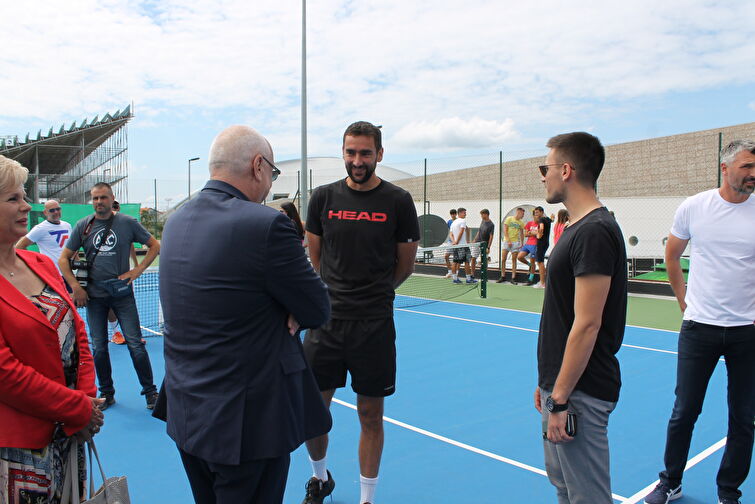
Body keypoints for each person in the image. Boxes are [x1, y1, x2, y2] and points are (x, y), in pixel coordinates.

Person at [159, 125, 332, 504]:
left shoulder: (175, 223)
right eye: (272, 172)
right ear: (258, 166)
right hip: (248, 424)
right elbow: (318, 307)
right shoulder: (265, 224)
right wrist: (291, 308)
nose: (271, 183)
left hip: (188, 412)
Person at [302, 121, 419, 504]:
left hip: (374, 327)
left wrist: (374, 294)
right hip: (326, 324)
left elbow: (405, 265)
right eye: (351, 152)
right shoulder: (322, 198)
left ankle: (366, 499)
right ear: (343, 153)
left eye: (365, 153)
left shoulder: (398, 201)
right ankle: (320, 478)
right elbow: (315, 257)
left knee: (371, 415)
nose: (357, 160)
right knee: (314, 412)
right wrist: (334, 295)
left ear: (379, 155)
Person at [643, 140, 755, 504]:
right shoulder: (695, 206)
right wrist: (683, 302)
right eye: (747, 167)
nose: (753, 174)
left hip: (748, 332)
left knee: (744, 418)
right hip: (699, 328)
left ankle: (729, 493)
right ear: (725, 168)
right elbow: (672, 256)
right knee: (684, 412)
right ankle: (670, 481)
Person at [0, 155, 104, 503]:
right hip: (18, 447)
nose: (26, 206)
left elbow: (78, 332)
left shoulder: (41, 262)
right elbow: (6, 375)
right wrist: (78, 408)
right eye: (13, 198)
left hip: (69, 433)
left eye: (23, 197)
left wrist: (86, 399)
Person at [535, 132, 627, 504]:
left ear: (567, 170)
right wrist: (547, 384)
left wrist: (560, 398)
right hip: (561, 387)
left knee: (587, 497)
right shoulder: (577, 228)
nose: (543, 176)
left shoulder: (594, 232)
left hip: (579, 394)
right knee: (564, 489)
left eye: (547, 167)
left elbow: (587, 324)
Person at [59, 182, 160, 411]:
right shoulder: (83, 226)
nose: (98, 202)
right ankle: (107, 393)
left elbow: (154, 245)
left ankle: (151, 393)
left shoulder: (126, 223)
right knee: (100, 348)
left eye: (103, 198)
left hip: (122, 295)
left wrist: (138, 270)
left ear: (111, 198)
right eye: (95, 198)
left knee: (135, 345)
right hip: (94, 297)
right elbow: (63, 259)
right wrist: (76, 287)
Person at [107, 200, 140, 344]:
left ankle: (133, 335)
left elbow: (131, 245)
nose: (114, 209)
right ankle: (116, 333)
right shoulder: (96, 224)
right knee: (109, 304)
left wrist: (136, 264)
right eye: (112, 206)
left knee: (128, 302)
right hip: (106, 273)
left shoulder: (126, 224)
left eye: (116, 206)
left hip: (124, 272)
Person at [15, 199, 72, 276]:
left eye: (58, 209)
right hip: (52, 274)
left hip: (68, 273)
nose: (56, 212)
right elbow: (19, 246)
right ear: (45, 212)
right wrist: (34, 261)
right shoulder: (40, 228)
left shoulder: (67, 225)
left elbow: (71, 247)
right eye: (52, 210)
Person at [497, 207, 525, 284]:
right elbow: (505, 230)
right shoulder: (509, 219)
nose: (523, 215)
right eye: (522, 213)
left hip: (515, 243)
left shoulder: (521, 223)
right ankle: (503, 276)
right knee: (503, 259)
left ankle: (513, 278)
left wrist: (522, 243)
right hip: (507, 242)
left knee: (514, 260)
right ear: (518, 212)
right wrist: (508, 240)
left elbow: (522, 233)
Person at [449, 207, 476, 284]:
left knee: (455, 262)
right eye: (464, 212)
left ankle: (455, 279)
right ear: (460, 213)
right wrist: (457, 241)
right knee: (467, 262)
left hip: (456, 246)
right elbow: (461, 232)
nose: (465, 214)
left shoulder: (453, 222)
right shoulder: (463, 221)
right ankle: (468, 279)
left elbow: (450, 234)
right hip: (463, 246)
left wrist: (454, 242)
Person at [471, 208, 494, 278]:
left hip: (484, 245)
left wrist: (488, 247)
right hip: (477, 243)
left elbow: (491, 236)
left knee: (484, 260)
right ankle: (472, 274)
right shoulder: (482, 220)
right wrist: (474, 239)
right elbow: (479, 230)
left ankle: (484, 276)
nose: (481, 216)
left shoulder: (491, 224)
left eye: (482, 215)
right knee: (473, 258)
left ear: (486, 214)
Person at [518, 209, 540, 285]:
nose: (538, 216)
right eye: (536, 215)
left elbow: (539, 234)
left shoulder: (541, 224)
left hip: (535, 245)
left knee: (533, 261)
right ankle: (529, 265)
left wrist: (531, 232)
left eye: (538, 215)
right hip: (527, 244)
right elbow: (525, 234)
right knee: (520, 257)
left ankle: (530, 279)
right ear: (533, 216)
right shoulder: (529, 223)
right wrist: (533, 233)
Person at [533, 206, 552, 289]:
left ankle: (542, 283)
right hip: (546, 243)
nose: (536, 214)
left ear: (541, 212)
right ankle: (543, 281)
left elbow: (541, 228)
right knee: (540, 262)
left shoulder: (541, 220)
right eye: (535, 213)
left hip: (541, 243)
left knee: (540, 262)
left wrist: (537, 234)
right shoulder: (547, 219)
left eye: (537, 213)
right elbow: (552, 220)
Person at [443, 208, 457, 278]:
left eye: (454, 214)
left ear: (456, 214)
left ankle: (455, 272)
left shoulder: (458, 221)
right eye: (451, 214)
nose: (452, 215)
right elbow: (449, 231)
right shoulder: (449, 222)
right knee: (446, 256)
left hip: (457, 243)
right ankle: (450, 272)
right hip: (450, 242)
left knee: (456, 258)